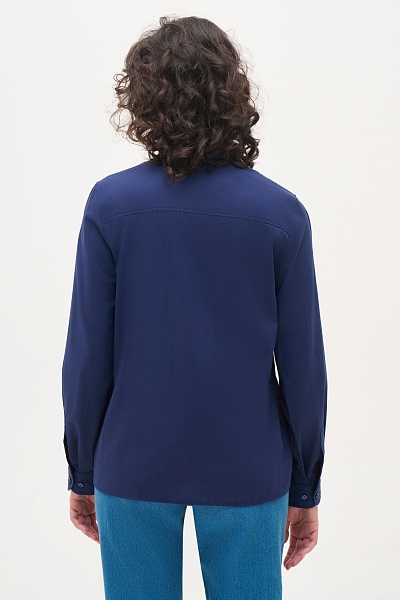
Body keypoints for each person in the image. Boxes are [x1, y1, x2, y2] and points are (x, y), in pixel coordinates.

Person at [62, 14, 328, 600]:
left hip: (132, 460)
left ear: (144, 98)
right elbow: (304, 366)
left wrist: (82, 470)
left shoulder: (110, 206)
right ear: (232, 94)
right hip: (249, 465)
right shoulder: (280, 214)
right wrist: (305, 485)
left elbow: (87, 354)